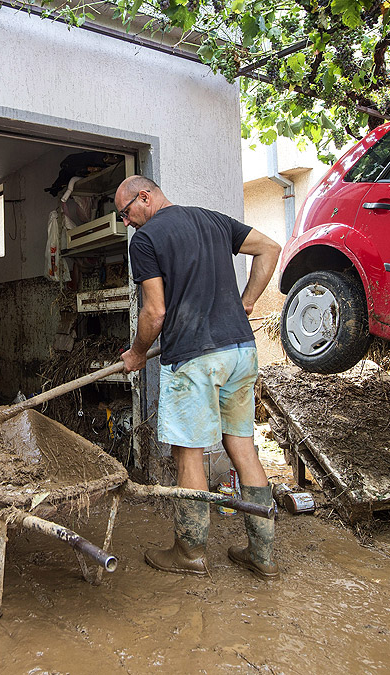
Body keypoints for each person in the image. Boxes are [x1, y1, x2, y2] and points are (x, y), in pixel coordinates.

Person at [116, 175, 282, 579]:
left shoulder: (146, 239)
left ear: (145, 196)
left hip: (194, 359)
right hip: (241, 352)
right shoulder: (212, 220)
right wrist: (246, 303)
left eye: (126, 212)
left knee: (189, 452)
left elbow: (155, 312)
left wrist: (137, 353)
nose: (126, 223)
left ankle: (190, 552)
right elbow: (270, 248)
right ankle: (262, 555)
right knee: (243, 448)